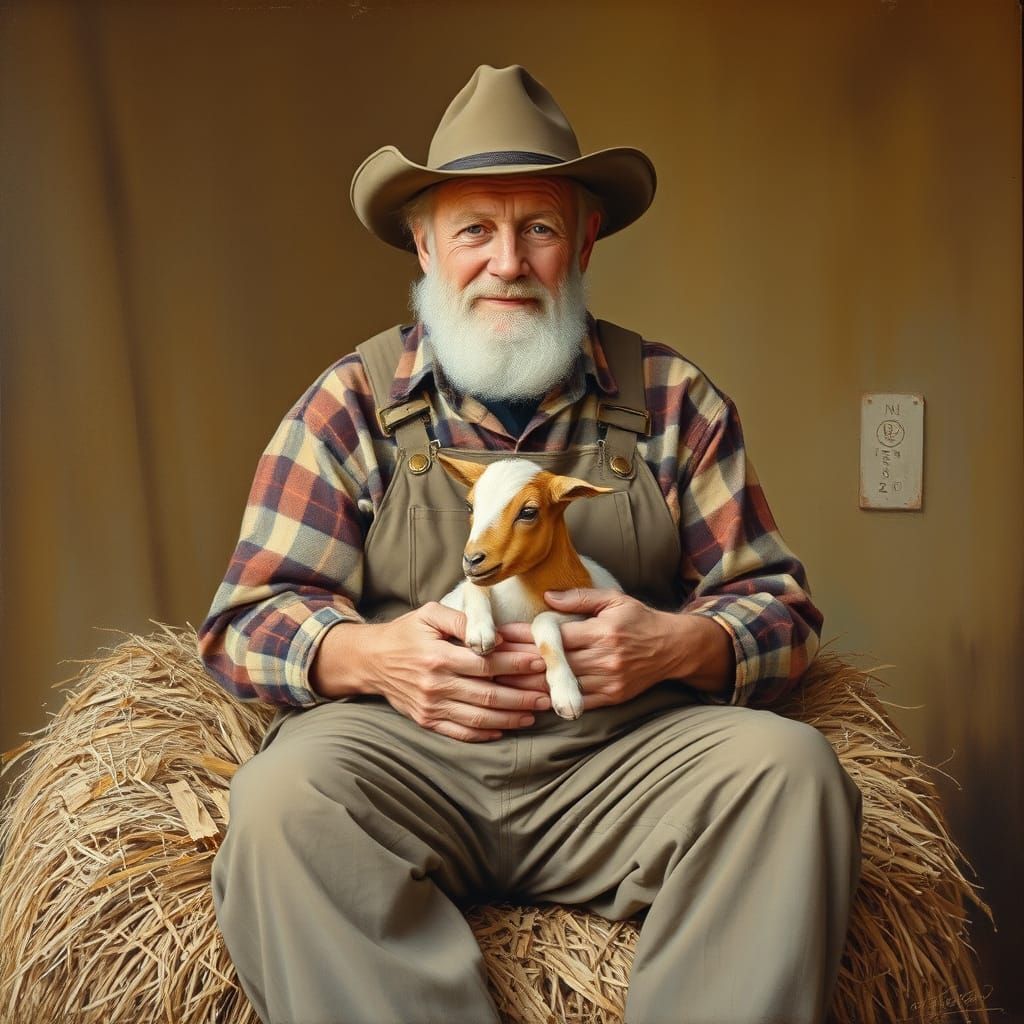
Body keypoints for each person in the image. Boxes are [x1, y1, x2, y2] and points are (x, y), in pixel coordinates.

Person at [199, 65, 862, 1024]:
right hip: (411, 759)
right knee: (281, 803)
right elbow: (245, 622)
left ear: (583, 242)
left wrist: (677, 645)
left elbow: (778, 606)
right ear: (425, 246)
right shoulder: (350, 401)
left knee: (793, 779)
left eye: (538, 228)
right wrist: (375, 658)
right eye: (474, 229)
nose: (506, 261)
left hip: (622, 761)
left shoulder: (674, 399)